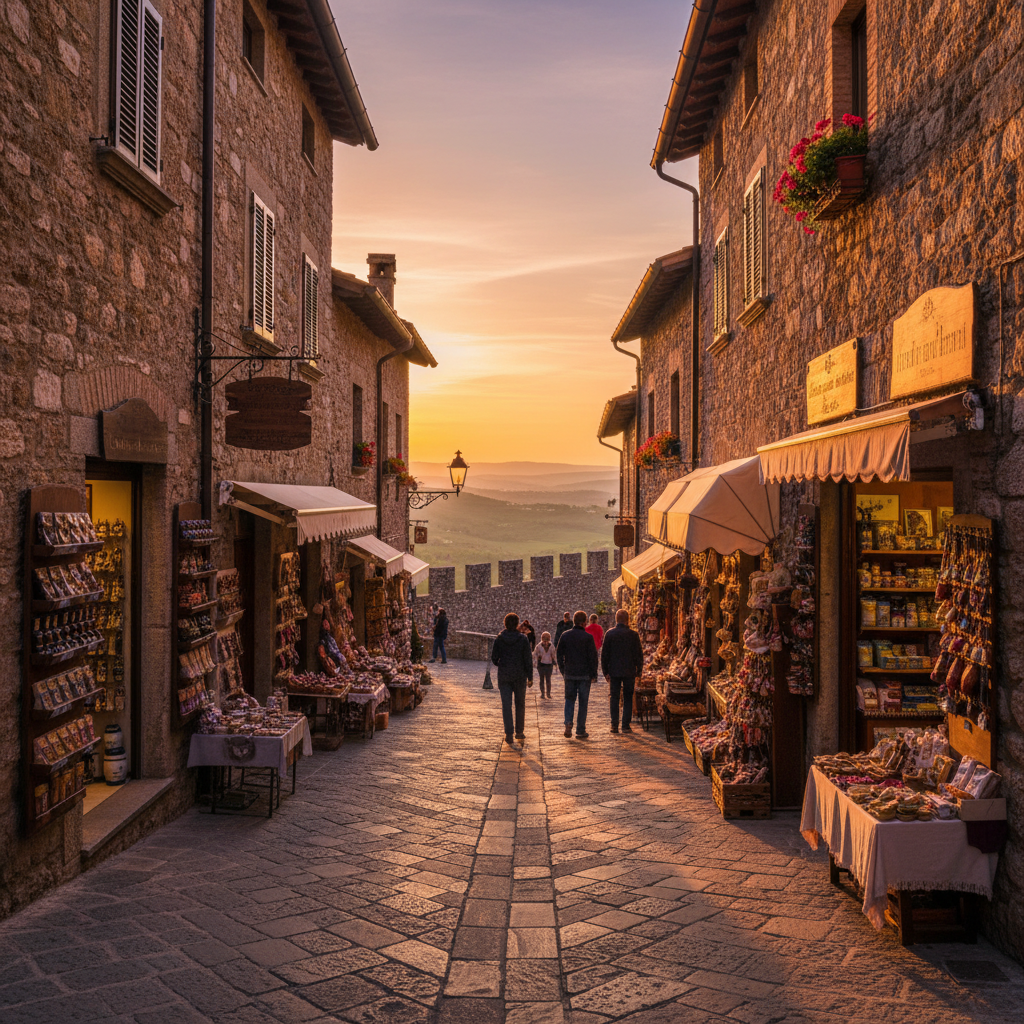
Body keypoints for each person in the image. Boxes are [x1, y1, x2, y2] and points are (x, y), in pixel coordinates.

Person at [491, 612, 533, 746]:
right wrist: (530, 677)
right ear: (516, 624)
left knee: (506, 705)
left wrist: (502, 665)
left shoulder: (499, 638)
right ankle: (519, 732)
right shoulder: (523, 639)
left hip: (504, 676)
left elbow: (494, 658)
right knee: (520, 704)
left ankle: (509, 734)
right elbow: (528, 660)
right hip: (520, 676)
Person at [601, 608, 644, 733]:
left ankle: (614, 725)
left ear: (616, 620)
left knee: (614, 697)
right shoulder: (633, 635)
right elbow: (638, 655)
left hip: (614, 671)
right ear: (627, 620)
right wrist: (639, 670)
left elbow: (605, 655)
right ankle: (625, 725)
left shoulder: (609, 634)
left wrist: (605, 672)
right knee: (628, 697)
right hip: (629, 671)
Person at [556, 610, 598, 739]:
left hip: (570, 673)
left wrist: (563, 670)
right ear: (585, 622)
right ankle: (580, 730)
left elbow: (558, 654)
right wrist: (593, 674)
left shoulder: (565, 635)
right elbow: (593, 658)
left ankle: (568, 723)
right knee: (583, 702)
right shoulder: (588, 638)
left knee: (569, 700)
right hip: (584, 675)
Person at [534, 631, 557, 698]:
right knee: (542, 679)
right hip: (541, 664)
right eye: (544, 641)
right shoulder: (538, 646)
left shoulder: (551, 646)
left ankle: (548, 694)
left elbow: (554, 654)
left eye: (547, 641)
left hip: (549, 664)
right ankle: (543, 694)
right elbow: (535, 654)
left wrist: (554, 660)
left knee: (548, 679)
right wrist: (538, 657)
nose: (546, 643)